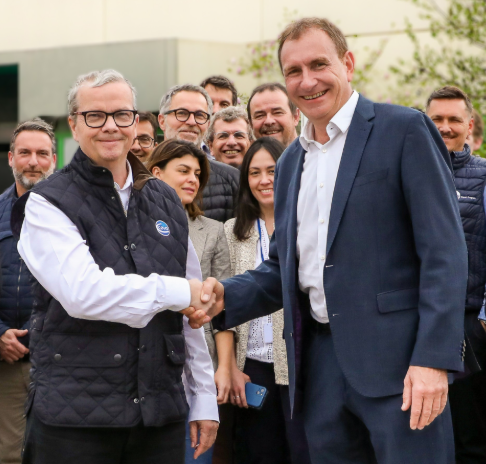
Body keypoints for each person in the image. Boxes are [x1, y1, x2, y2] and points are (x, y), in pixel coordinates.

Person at [189, 17, 468, 464]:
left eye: (319, 64)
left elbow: (444, 253)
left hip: (402, 367)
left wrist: (433, 359)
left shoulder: (404, 130)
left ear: (348, 64)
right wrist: (226, 295)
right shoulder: (291, 163)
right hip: (319, 367)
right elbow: (283, 267)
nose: (307, 80)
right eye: (294, 71)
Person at [12, 69, 219, 464]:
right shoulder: (46, 203)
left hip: (158, 415)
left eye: (121, 114)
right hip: (75, 419)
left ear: (135, 121)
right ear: (74, 125)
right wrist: (179, 293)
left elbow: (192, 311)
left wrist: (204, 396)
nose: (110, 126)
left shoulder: (166, 199)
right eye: (95, 116)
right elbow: (84, 294)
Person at [224, 137, 311, 464]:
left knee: (303, 452)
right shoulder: (232, 232)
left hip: (302, 365)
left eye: (272, 171)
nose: (264, 180)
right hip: (252, 368)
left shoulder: (306, 227)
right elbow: (225, 304)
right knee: (259, 454)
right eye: (254, 172)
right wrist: (231, 366)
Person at [147, 139, 234, 464]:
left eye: (197, 174)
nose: (192, 180)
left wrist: (210, 390)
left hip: (186, 370)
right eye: (183, 171)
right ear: (156, 173)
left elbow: (203, 316)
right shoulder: (127, 224)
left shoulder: (199, 230)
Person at [426, 86, 486, 463]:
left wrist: (483, 320)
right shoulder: (408, 174)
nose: (445, 127)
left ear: (469, 125)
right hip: (417, 324)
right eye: (436, 119)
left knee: (470, 433)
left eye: (453, 119)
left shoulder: (483, 176)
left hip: (468, 326)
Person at [0, 118, 57, 464]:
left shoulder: (72, 214)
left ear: (54, 159)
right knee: (9, 455)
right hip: (8, 360)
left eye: (41, 153)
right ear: (11, 158)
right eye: (24, 153)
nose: (33, 162)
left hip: (59, 358)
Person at [159, 84, 239, 222]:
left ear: (207, 124)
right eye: (182, 113)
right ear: (162, 121)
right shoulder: (136, 176)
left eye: (200, 115)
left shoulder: (231, 180)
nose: (191, 122)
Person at [247, 82, 300, 147]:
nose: (269, 121)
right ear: (250, 124)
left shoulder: (310, 152)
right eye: (260, 116)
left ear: (295, 117)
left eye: (277, 113)